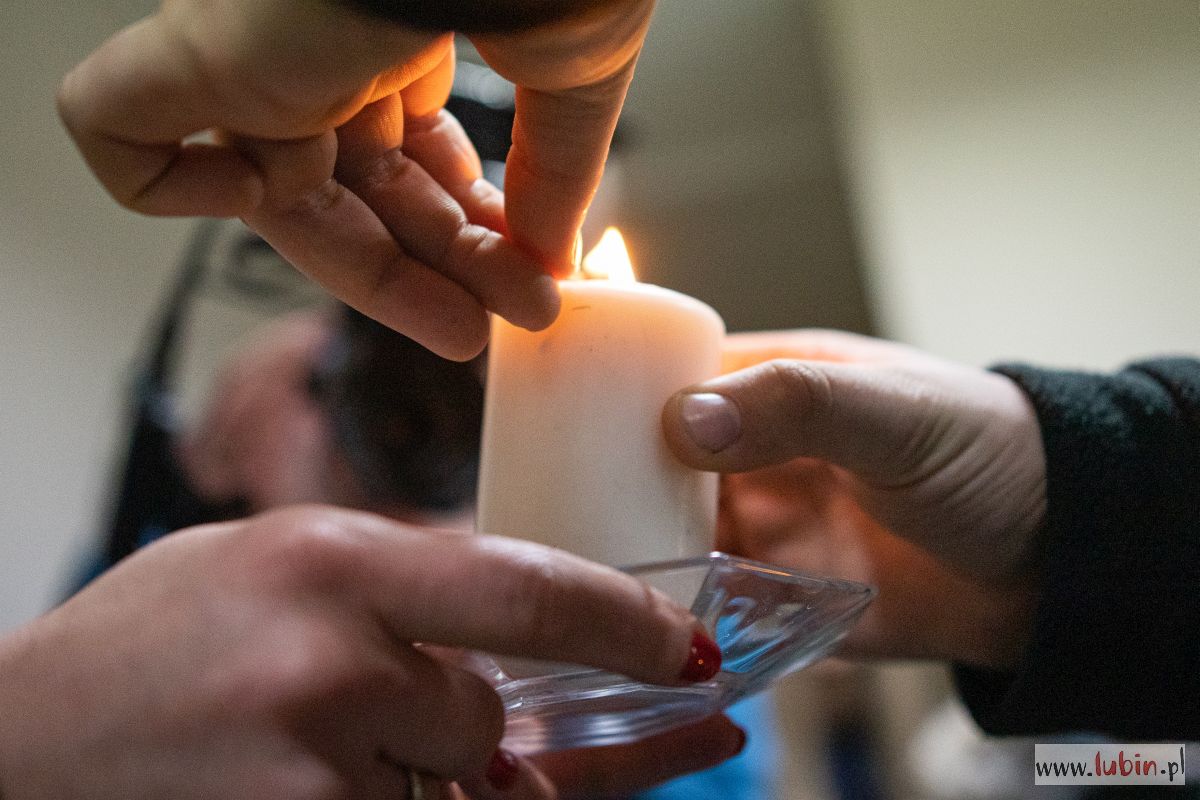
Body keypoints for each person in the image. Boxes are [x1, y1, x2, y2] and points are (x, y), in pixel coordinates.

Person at [43, 0, 1199, 795]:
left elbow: (701, 753)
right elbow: (122, 670)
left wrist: (1040, 549)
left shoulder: (680, 622)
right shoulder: (255, 436)